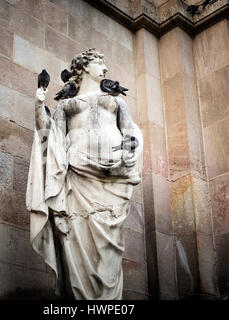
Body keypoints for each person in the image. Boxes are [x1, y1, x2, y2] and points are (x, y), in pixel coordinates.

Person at [26, 48, 143, 300]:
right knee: (78, 243)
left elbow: (131, 132)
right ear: (84, 67)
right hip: (76, 177)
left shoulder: (116, 101)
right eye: (100, 62)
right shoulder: (65, 105)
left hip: (112, 175)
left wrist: (128, 150)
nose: (105, 68)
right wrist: (38, 103)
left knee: (108, 248)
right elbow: (48, 137)